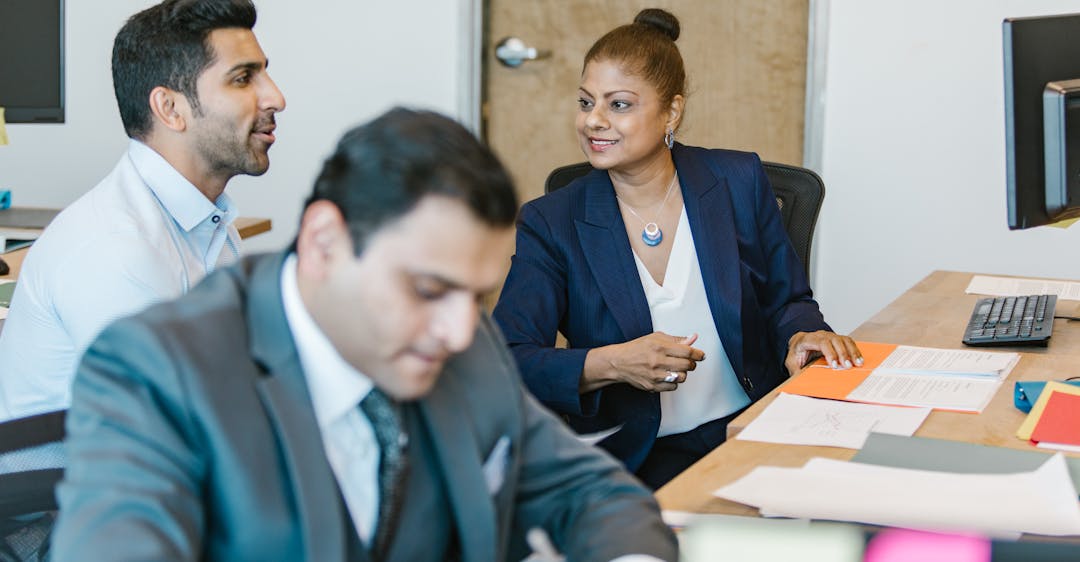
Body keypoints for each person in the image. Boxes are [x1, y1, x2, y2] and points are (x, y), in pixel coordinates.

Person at [50, 108, 678, 562]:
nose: (461, 329)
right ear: (325, 242)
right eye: (429, 290)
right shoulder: (155, 371)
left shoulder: (465, 345)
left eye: (475, 296)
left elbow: (588, 489)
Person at [492, 8, 862, 489]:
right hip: (633, 459)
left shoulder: (736, 182)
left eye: (619, 104)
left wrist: (805, 335)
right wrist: (612, 363)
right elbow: (509, 359)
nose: (594, 121)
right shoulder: (552, 220)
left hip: (747, 431)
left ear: (672, 111)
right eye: (585, 103)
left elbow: (787, 301)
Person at [0, 0, 285, 421]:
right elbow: (181, 430)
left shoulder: (210, 224)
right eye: (243, 78)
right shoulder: (115, 250)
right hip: (69, 485)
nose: (275, 97)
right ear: (170, 109)